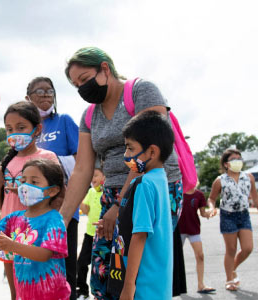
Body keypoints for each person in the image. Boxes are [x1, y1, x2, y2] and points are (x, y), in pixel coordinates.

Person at [58, 46, 187, 300]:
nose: (82, 88)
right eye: (76, 85)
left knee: (139, 271)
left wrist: (121, 204)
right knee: (104, 277)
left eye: (84, 79)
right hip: (113, 193)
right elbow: (83, 169)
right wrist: (61, 220)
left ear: (104, 69)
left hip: (150, 189)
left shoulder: (142, 91)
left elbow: (148, 155)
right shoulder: (89, 115)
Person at [0, 158, 70, 300]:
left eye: (34, 182)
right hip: (24, 294)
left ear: (52, 190)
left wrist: (12, 245)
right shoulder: (13, 218)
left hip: (52, 294)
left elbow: (44, 254)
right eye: (23, 181)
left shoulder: (54, 220)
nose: (26, 186)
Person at [0, 101, 60, 299]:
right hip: (10, 234)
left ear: (36, 129)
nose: (14, 134)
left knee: (37, 290)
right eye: (9, 129)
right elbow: (1, 204)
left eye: (21, 128)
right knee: (16, 294)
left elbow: (58, 196)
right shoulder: (8, 162)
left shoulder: (47, 157)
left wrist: (28, 192)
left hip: (35, 234)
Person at [105, 110, 175, 299]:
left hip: (142, 285)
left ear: (152, 151)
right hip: (156, 283)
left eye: (130, 148)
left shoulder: (144, 184)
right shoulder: (160, 179)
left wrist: (128, 287)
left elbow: (140, 235)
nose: (126, 155)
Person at [25, 76, 80, 299]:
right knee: (38, 268)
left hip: (63, 206)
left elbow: (82, 161)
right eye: (40, 91)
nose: (46, 95)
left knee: (65, 268)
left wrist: (51, 160)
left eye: (50, 91)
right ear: (28, 97)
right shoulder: (25, 126)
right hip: (33, 209)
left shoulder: (64, 121)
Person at [208, 149, 258, 292]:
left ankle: (233, 268)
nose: (238, 161)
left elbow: (255, 197)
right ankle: (229, 279)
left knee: (248, 248)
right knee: (231, 249)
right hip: (228, 216)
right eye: (234, 159)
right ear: (227, 164)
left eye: (239, 158)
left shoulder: (249, 177)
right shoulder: (219, 180)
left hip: (244, 215)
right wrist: (211, 208)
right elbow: (212, 198)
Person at [178, 188, 215, 294]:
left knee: (200, 256)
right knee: (175, 258)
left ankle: (201, 285)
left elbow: (203, 213)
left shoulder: (199, 194)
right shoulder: (178, 191)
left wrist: (209, 213)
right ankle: (173, 285)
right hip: (179, 230)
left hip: (193, 229)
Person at [76, 167, 104, 300]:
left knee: (99, 266)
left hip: (102, 234)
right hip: (89, 234)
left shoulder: (107, 192)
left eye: (96, 176)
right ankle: (82, 290)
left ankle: (100, 292)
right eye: (91, 177)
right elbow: (85, 209)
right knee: (81, 263)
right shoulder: (91, 192)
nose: (93, 179)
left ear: (104, 177)